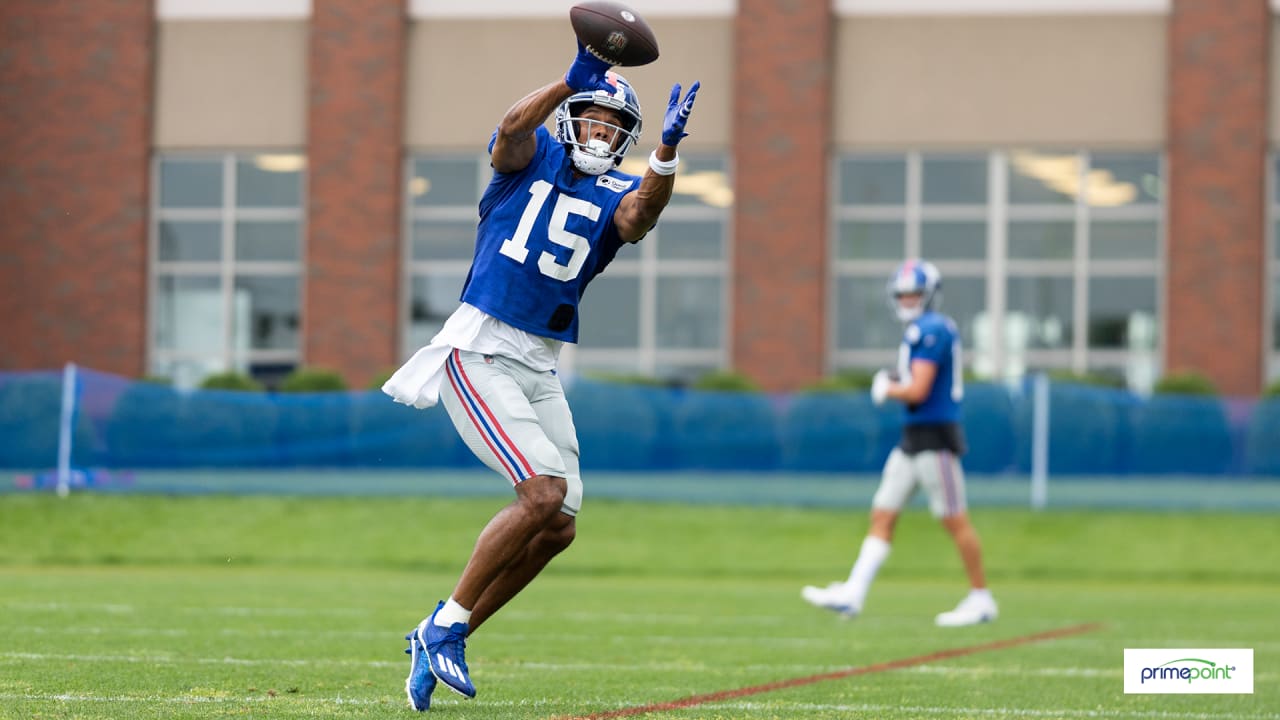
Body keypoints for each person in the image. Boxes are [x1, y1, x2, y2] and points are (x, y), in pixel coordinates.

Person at [381, 40, 699, 711]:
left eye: (615, 128)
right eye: (592, 118)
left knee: (559, 525)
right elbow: (511, 131)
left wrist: (666, 154)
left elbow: (642, 216)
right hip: (482, 346)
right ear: (572, 118)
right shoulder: (532, 157)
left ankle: (444, 627)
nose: (600, 132)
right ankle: (445, 625)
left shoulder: (619, 186)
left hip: (541, 360)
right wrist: (566, 81)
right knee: (544, 492)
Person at [801, 260, 997, 627]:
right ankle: (853, 593)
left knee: (954, 520)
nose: (908, 299)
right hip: (913, 439)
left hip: (935, 439)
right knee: (883, 514)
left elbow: (919, 388)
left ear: (929, 295)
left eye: (914, 293)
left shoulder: (932, 329)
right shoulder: (921, 329)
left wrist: (888, 387)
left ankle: (981, 597)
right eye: (903, 293)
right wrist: (895, 380)